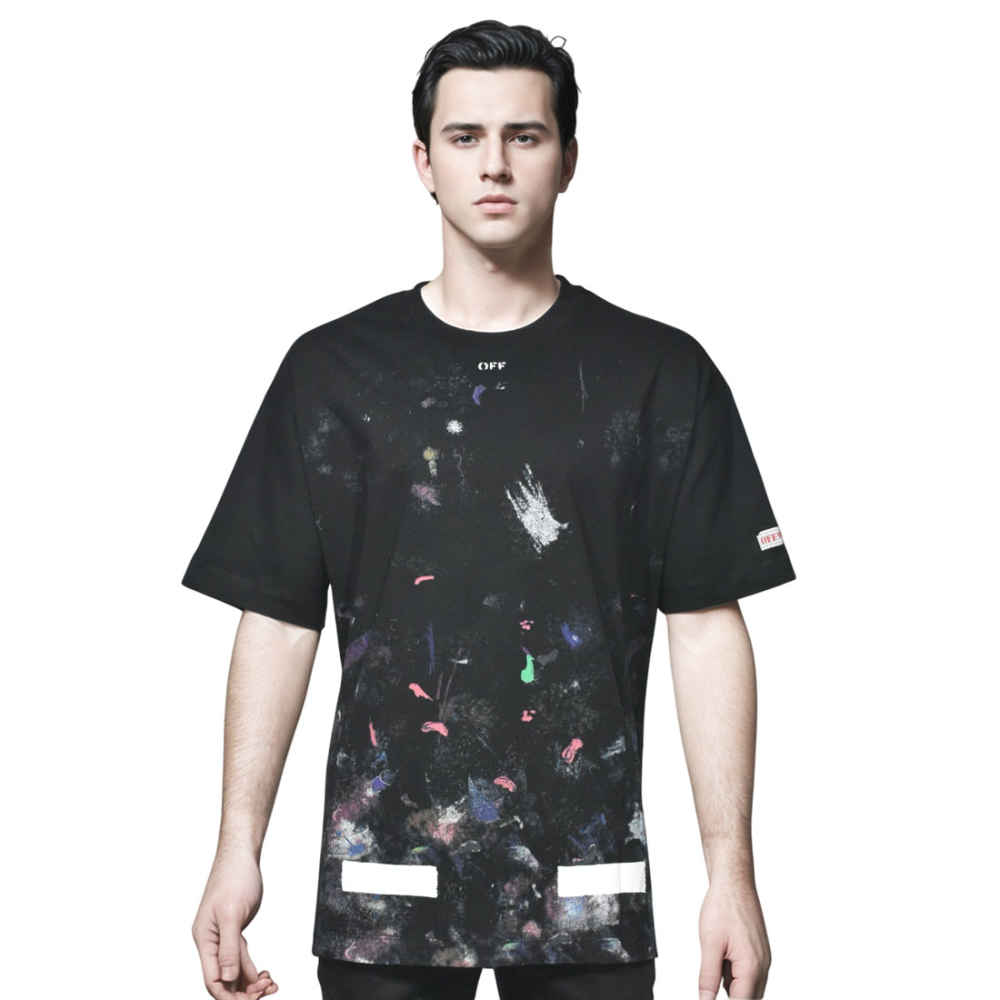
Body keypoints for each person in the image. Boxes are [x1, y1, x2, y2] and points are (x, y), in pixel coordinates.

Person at [183, 19, 796, 1000]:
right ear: (423, 163)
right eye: (465, 137)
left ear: (568, 159)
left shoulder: (657, 376)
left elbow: (706, 624)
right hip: (384, 883)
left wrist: (732, 876)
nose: (495, 163)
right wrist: (234, 848)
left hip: (588, 889)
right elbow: (280, 619)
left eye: (525, 135)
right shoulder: (334, 373)